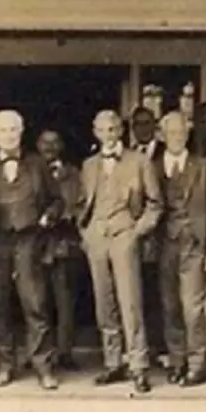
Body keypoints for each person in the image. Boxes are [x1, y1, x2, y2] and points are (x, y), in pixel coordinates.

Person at [78, 110, 162, 394]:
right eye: (103, 129)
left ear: (121, 131)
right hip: (97, 238)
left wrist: (138, 230)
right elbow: (82, 203)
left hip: (126, 234)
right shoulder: (89, 165)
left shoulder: (140, 162)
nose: (109, 134)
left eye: (113, 129)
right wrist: (86, 232)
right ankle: (113, 362)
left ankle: (138, 365)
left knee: (131, 301)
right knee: (105, 302)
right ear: (95, 132)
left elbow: (155, 203)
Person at [0, 110, 62, 389]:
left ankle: (43, 367)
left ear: (22, 132)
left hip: (29, 240)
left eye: (14, 129)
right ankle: (5, 365)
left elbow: (57, 200)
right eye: (3, 130)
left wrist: (47, 217)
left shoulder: (38, 164)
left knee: (35, 302)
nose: (9, 135)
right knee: (0, 304)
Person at [153, 112, 206, 386]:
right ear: (162, 136)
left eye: (181, 133)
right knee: (169, 306)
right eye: (171, 133)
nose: (177, 138)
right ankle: (177, 360)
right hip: (165, 246)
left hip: (195, 245)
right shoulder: (153, 166)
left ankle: (197, 364)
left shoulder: (204, 167)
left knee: (192, 307)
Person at [37, 129, 83, 371]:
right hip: (37, 245)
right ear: (37, 144)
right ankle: (40, 351)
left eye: (55, 142)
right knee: (38, 302)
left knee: (65, 302)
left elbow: (80, 202)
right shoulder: (31, 169)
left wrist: (65, 217)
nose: (50, 147)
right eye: (45, 142)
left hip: (65, 244)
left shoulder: (73, 173)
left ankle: (65, 351)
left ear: (62, 146)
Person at [128, 106, 166, 365]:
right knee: (133, 293)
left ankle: (159, 348)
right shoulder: (127, 156)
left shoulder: (167, 154)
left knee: (158, 293)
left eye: (147, 123)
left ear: (155, 126)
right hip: (129, 237)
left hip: (159, 236)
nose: (142, 128)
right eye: (137, 124)